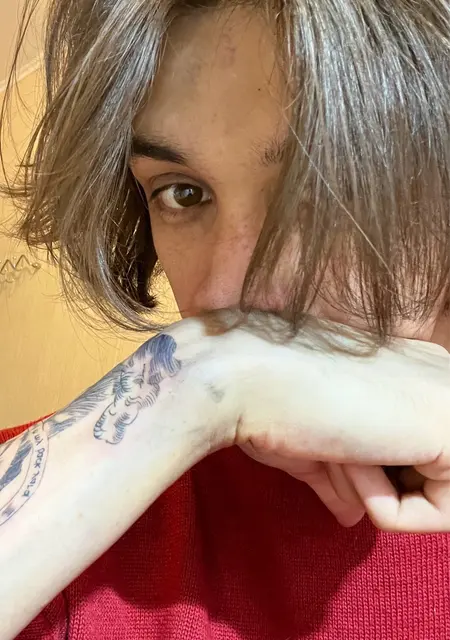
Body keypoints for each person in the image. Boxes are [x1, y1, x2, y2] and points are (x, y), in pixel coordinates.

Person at [1, 0, 450, 638]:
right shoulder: (73, 498)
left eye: (321, 185)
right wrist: (193, 382)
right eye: (182, 193)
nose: (224, 292)